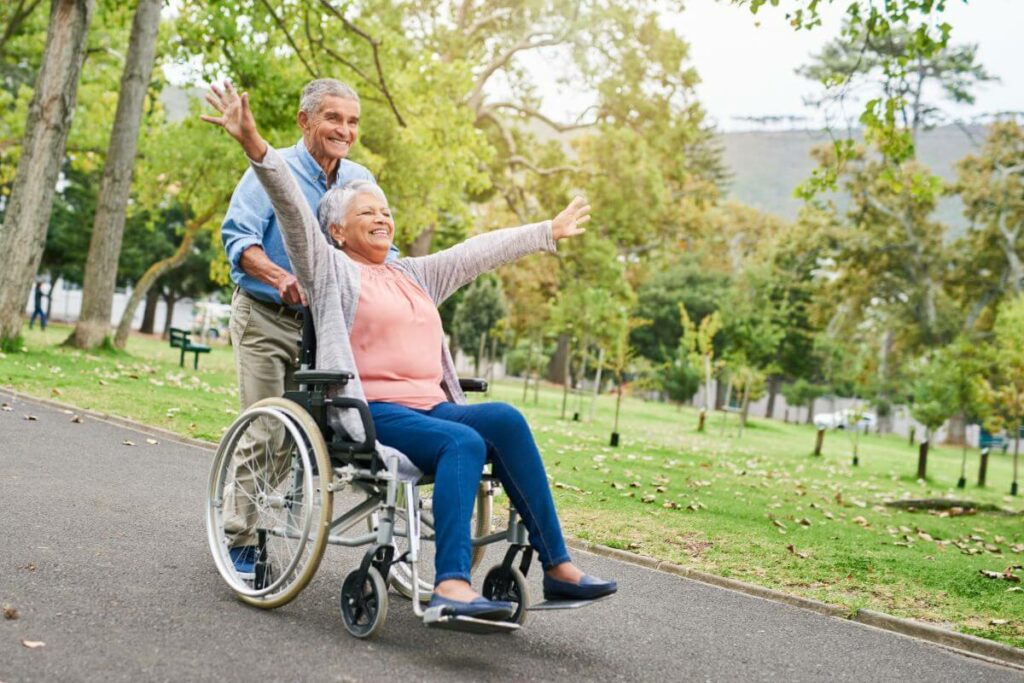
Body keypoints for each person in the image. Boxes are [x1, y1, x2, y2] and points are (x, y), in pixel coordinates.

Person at [203, 82, 617, 619]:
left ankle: (558, 567)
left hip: (430, 404)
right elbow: (287, 204)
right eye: (366, 214)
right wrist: (255, 144)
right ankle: (451, 586)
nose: (381, 219)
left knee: (506, 421)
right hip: (375, 411)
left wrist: (546, 231)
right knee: (461, 445)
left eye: (385, 212)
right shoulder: (331, 271)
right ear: (335, 230)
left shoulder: (413, 272)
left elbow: (476, 252)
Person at [218, 78, 396, 572]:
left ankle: (280, 523)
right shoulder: (272, 168)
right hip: (267, 317)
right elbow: (239, 241)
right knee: (267, 430)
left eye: (353, 121)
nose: (345, 129)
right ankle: (239, 538)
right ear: (305, 121)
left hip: (327, 329)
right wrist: (280, 277)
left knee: (317, 437)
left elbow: (379, 241)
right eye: (334, 118)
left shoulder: (359, 177)